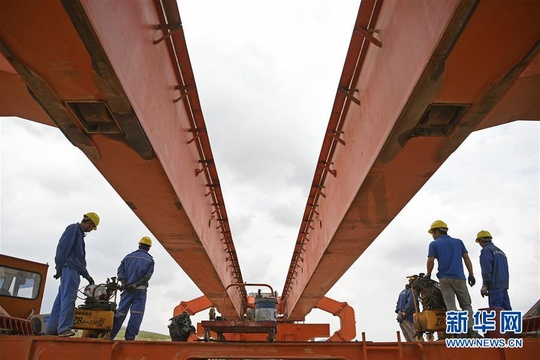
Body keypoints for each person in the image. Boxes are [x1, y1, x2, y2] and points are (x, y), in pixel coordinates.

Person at [46, 212, 100, 337]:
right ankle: (64, 329)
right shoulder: (73, 229)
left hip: (72, 269)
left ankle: (51, 330)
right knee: (69, 298)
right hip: (70, 270)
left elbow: (79, 260)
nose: (91, 230)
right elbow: (62, 249)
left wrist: (87, 275)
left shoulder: (79, 235)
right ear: (89, 223)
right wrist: (59, 268)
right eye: (92, 227)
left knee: (61, 300)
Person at [425, 220, 478, 337]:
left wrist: (428, 275)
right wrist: (471, 274)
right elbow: (466, 258)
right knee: (466, 305)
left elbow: (430, 260)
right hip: (460, 278)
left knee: (451, 305)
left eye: (433, 233)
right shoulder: (458, 242)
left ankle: (458, 331)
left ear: (437, 231)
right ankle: (470, 330)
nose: (433, 236)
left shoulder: (434, 244)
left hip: (445, 279)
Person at [110, 236, 155, 340]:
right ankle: (130, 339)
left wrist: (124, 283)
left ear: (139, 245)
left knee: (120, 313)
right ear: (149, 248)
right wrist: (137, 285)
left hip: (127, 290)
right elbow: (147, 276)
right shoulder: (150, 260)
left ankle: (110, 337)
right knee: (136, 314)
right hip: (140, 291)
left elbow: (120, 271)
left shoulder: (128, 257)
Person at [475, 230, 512, 310]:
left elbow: (487, 268)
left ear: (480, 241)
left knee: (495, 312)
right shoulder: (501, 252)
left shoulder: (486, 250)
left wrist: (485, 285)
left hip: (494, 285)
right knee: (507, 312)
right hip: (504, 285)